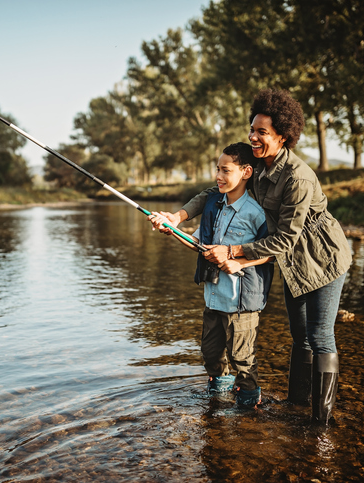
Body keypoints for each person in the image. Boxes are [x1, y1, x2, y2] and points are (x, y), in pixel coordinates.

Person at [152, 89, 352, 425]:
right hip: (290, 262)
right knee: (299, 335)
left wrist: (233, 252)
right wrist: (178, 218)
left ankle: (322, 421)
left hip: (323, 258)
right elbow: (212, 192)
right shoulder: (255, 164)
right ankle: (296, 405)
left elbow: (287, 237)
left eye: (262, 132)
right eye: (252, 129)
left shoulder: (298, 177)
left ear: (283, 137)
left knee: (319, 335)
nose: (253, 137)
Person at [150, 142, 274, 409]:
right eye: (217, 169)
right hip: (213, 299)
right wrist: (172, 230)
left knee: (242, 359)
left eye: (225, 170)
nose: (218, 176)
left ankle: (249, 406)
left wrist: (239, 263)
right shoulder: (212, 205)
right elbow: (198, 244)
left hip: (241, 303)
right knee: (210, 355)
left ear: (246, 172)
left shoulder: (256, 213)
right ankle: (218, 398)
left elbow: (273, 253)